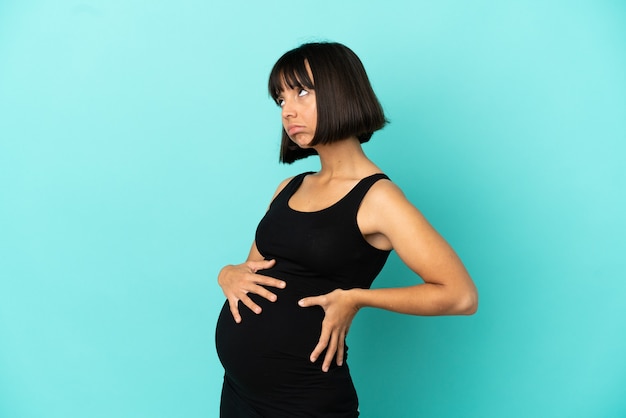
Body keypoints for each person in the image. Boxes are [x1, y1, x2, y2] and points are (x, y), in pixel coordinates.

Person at [215, 42, 478, 417]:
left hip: (304, 401)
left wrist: (357, 298)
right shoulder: (288, 188)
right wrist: (226, 275)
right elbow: (252, 272)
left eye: (301, 92)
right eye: (281, 99)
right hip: (240, 394)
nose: (288, 110)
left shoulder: (378, 199)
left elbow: (461, 295)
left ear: (340, 91)